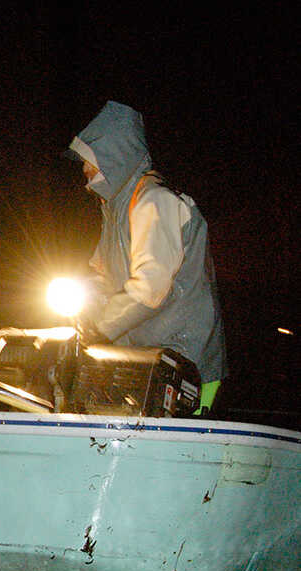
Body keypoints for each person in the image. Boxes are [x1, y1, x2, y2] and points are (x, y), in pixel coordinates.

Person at [65, 101, 227, 412]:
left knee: (186, 447)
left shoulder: (155, 201)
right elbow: (100, 274)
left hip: (187, 363)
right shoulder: (115, 210)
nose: (85, 169)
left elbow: (151, 286)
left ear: (115, 155)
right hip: (146, 361)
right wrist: (81, 316)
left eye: (90, 160)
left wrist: (100, 326)